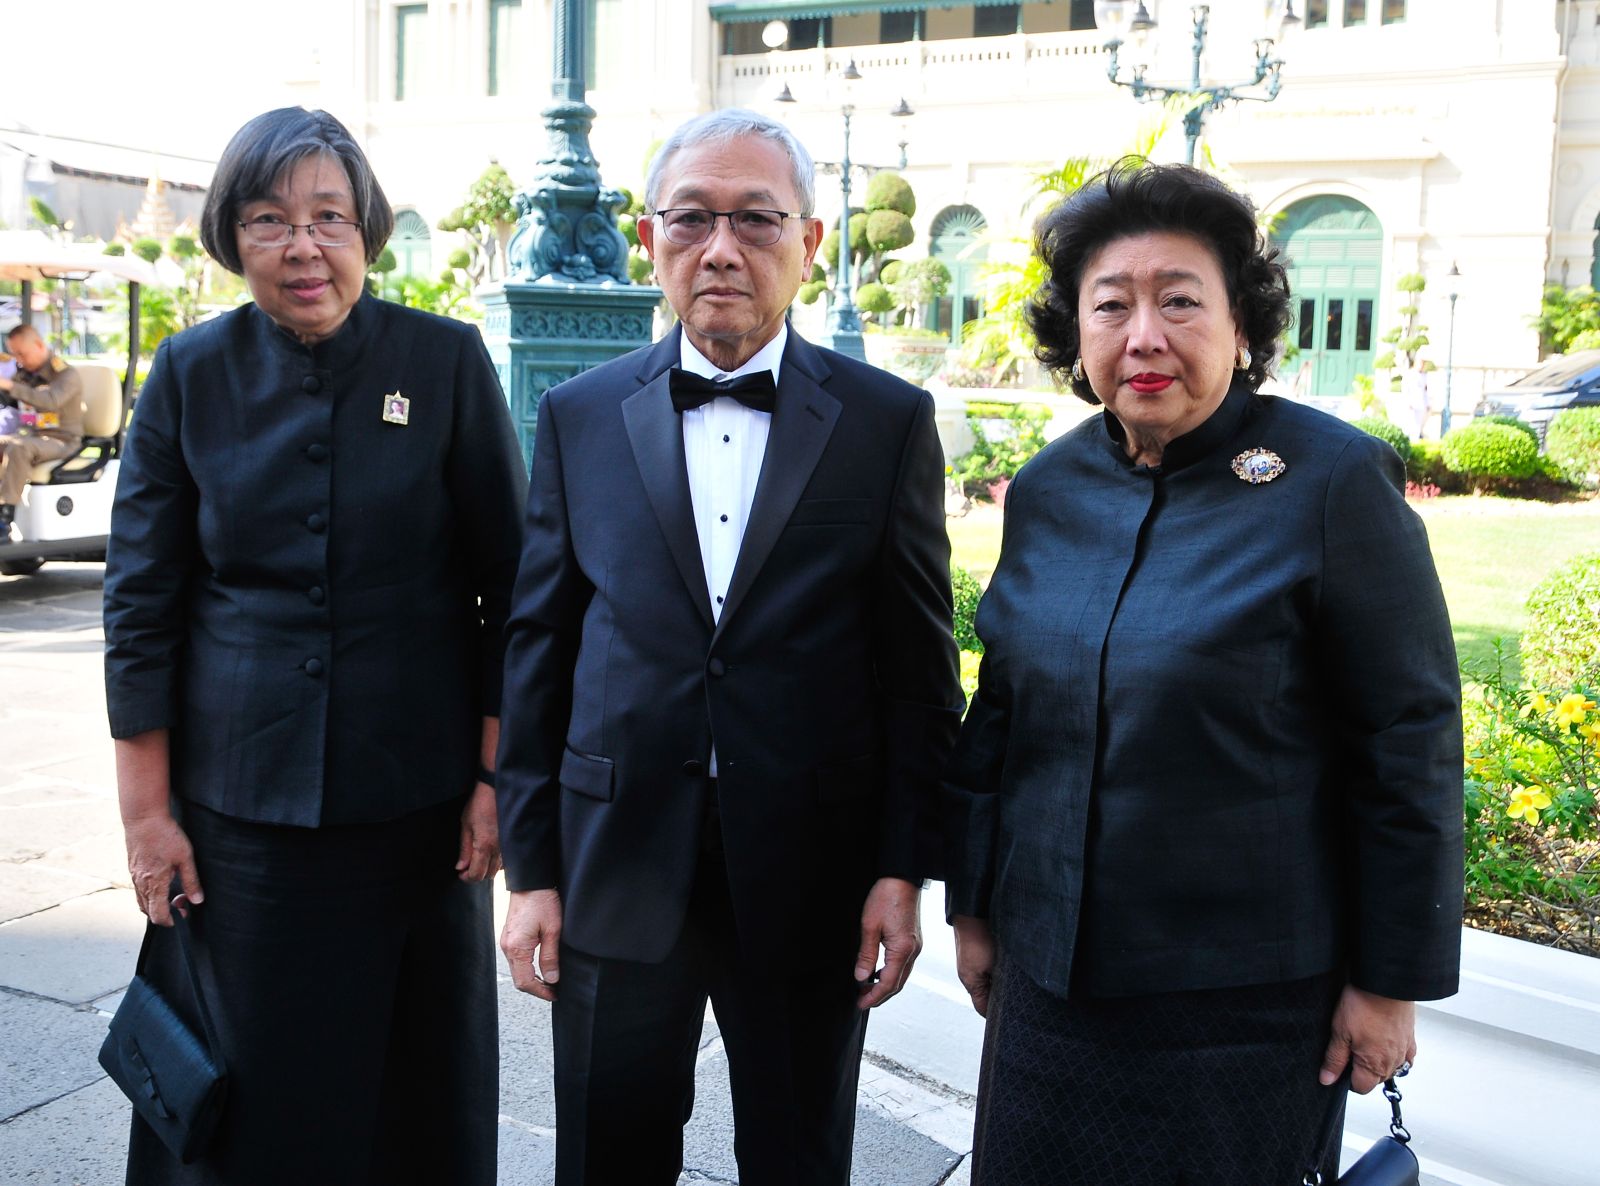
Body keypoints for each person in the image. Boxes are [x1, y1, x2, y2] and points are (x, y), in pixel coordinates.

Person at [942, 161, 1464, 1185]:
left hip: (1244, 1008)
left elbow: (1408, 742)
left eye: (1180, 301)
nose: (1144, 335)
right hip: (1048, 987)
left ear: (1241, 326)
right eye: (1111, 305)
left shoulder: (1331, 482)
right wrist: (974, 905)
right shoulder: (1046, 490)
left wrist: (1388, 984)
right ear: (1075, 331)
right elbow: (1000, 713)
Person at [495, 107, 963, 1186]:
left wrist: (902, 868)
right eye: (691, 218)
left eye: (756, 219)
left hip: (811, 866)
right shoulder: (578, 415)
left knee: (798, 1155)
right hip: (615, 859)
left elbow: (917, 672)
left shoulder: (886, 422)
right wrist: (534, 871)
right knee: (607, 1156)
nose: (721, 248)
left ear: (809, 242)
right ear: (648, 238)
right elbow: (538, 648)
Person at [102, 107, 526, 1185]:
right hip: (241, 813)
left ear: (366, 229)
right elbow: (140, 604)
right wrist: (148, 817)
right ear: (232, 236)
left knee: (414, 1089)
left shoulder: (444, 361)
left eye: (329, 217)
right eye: (269, 220)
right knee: (253, 1097)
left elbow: (512, 588)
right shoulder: (189, 373)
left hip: (421, 806)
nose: (303, 247)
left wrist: (493, 779)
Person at [0, 323, 83, 540]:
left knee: (18, 448)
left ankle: (4, 518)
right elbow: (14, 399)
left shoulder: (65, 374)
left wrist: (10, 386)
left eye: (22, 353)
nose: (18, 359)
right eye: (15, 354)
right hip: (32, 437)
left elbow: (50, 401)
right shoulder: (25, 374)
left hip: (62, 441)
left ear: (38, 345)